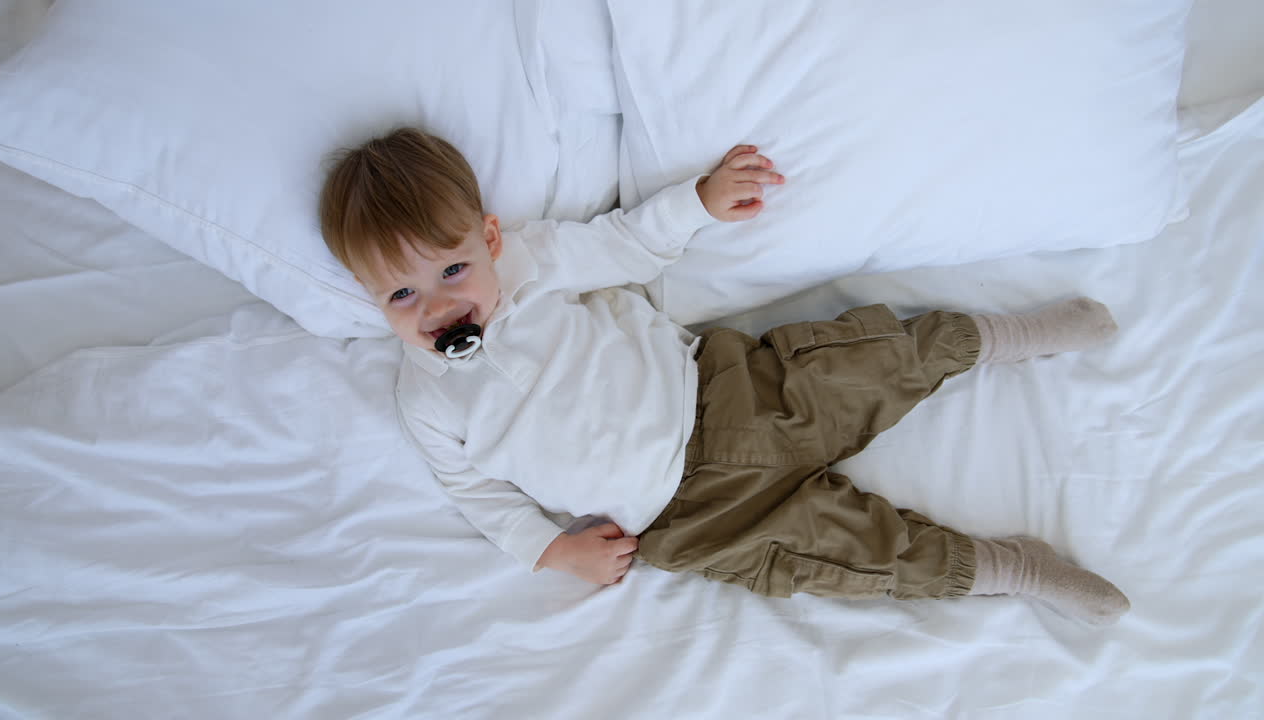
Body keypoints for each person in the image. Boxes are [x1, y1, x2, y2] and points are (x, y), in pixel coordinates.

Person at [318, 127, 1130, 625]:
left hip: (723, 396)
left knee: (869, 359)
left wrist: (698, 202)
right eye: (400, 294)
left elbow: (627, 243)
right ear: (368, 299)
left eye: (452, 270)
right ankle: (1017, 569)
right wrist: (552, 552)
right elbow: (477, 494)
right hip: (693, 521)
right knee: (857, 561)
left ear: (490, 238)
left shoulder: (536, 262)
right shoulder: (424, 397)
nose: (436, 308)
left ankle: (1015, 333)